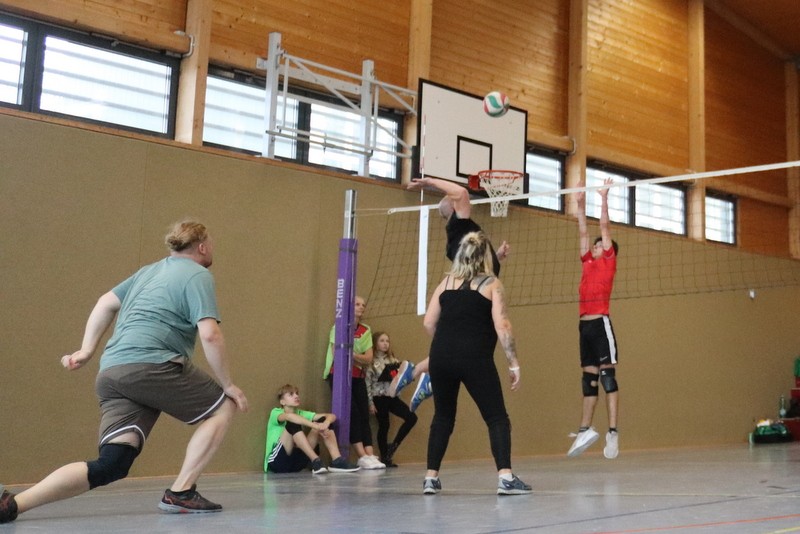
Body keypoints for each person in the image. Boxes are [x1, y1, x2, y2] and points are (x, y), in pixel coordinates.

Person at [0, 220, 249, 524]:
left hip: (112, 372)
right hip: (151, 365)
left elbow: (105, 302)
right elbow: (210, 334)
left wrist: (86, 350)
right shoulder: (197, 274)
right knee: (223, 406)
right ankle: (181, 492)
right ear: (202, 246)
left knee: (113, 463)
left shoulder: (148, 272)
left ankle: (11, 505)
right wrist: (228, 384)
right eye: (211, 243)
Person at [420, 231, 531, 496]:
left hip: (441, 357)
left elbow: (428, 322)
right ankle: (505, 477)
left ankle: (430, 478)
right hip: (475, 358)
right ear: (486, 256)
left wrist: (448, 344)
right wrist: (513, 363)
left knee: (443, 416)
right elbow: (502, 326)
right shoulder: (492, 284)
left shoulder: (446, 282)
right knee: (496, 417)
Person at [402, 177, 512, 414]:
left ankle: (422, 373)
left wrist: (497, 257)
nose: (466, 203)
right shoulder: (460, 225)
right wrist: (428, 182)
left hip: (473, 296)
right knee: (466, 346)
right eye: (456, 202)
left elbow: (479, 266)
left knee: (458, 346)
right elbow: (461, 192)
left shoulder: (463, 236)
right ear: (454, 208)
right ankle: (418, 370)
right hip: (477, 298)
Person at [567, 178, 620, 459]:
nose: (596, 246)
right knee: (588, 379)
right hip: (584, 325)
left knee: (607, 377)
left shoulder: (608, 262)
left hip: (601, 324)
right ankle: (584, 429)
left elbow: (603, 227)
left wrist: (603, 198)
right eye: (596, 246)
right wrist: (579, 203)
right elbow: (583, 230)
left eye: (601, 245)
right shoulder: (587, 262)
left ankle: (613, 432)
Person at [322, 295, 385, 469]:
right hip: (340, 376)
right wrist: (357, 357)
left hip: (358, 376)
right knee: (353, 415)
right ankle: (361, 455)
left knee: (364, 414)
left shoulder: (365, 330)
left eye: (363, 305)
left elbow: (368, 358)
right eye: (357, 304)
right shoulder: (338, 327)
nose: (361, 307)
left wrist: (352, 355)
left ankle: (370, 455)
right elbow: (338, 354)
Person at [264, 384, 360, 474]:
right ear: (282, 402)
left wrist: (325, 424)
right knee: (293, 422)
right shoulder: (276, 412)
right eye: (291, 394)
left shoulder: (301, 413)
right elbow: (290, 417)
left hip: (296, 464)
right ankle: (315, 460)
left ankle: (337, 461)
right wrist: (315, 426)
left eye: (297, 393)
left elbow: (331, 416)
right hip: (278, 463)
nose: (296, 396)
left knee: (323, 421)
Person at [366, 332, 418, 467]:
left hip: (392, 397)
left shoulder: (393, 360)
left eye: (387, 341)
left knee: (411, 417)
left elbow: (399, 378)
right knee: (384, 426)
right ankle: (385, 457)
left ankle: (394, 445)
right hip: (379, 397)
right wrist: (370, 403)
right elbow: (368, 383)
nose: (385, 344)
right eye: (382, 341)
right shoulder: (371, 361)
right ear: (375, 343)